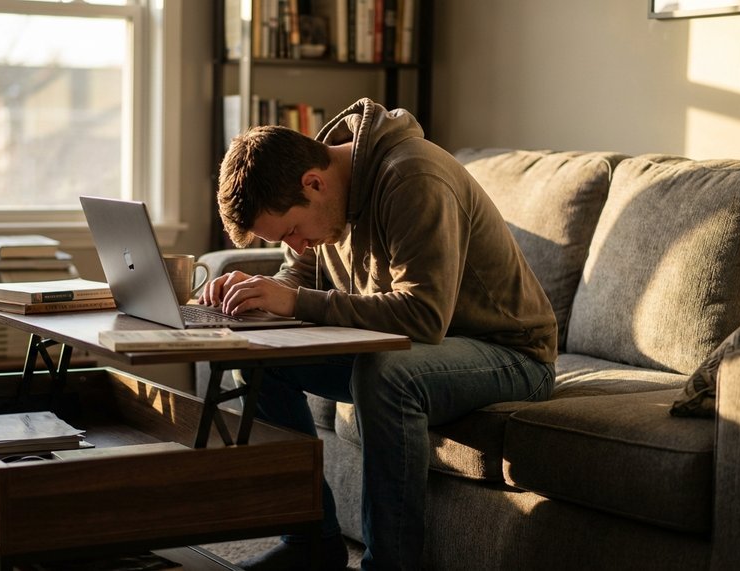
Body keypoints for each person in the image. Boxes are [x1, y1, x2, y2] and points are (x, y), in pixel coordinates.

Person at [199, 98, 558, 571]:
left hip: (510, 354)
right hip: (419, 349)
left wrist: (297, 301)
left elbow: (424, 317)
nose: (296, 245)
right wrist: (256, 296)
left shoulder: (414, 177)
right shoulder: (329, 195)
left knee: (385, 373)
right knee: (256, 356)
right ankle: (312, 542)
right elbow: (296, 277)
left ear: (314, 183)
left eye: (291, 230)